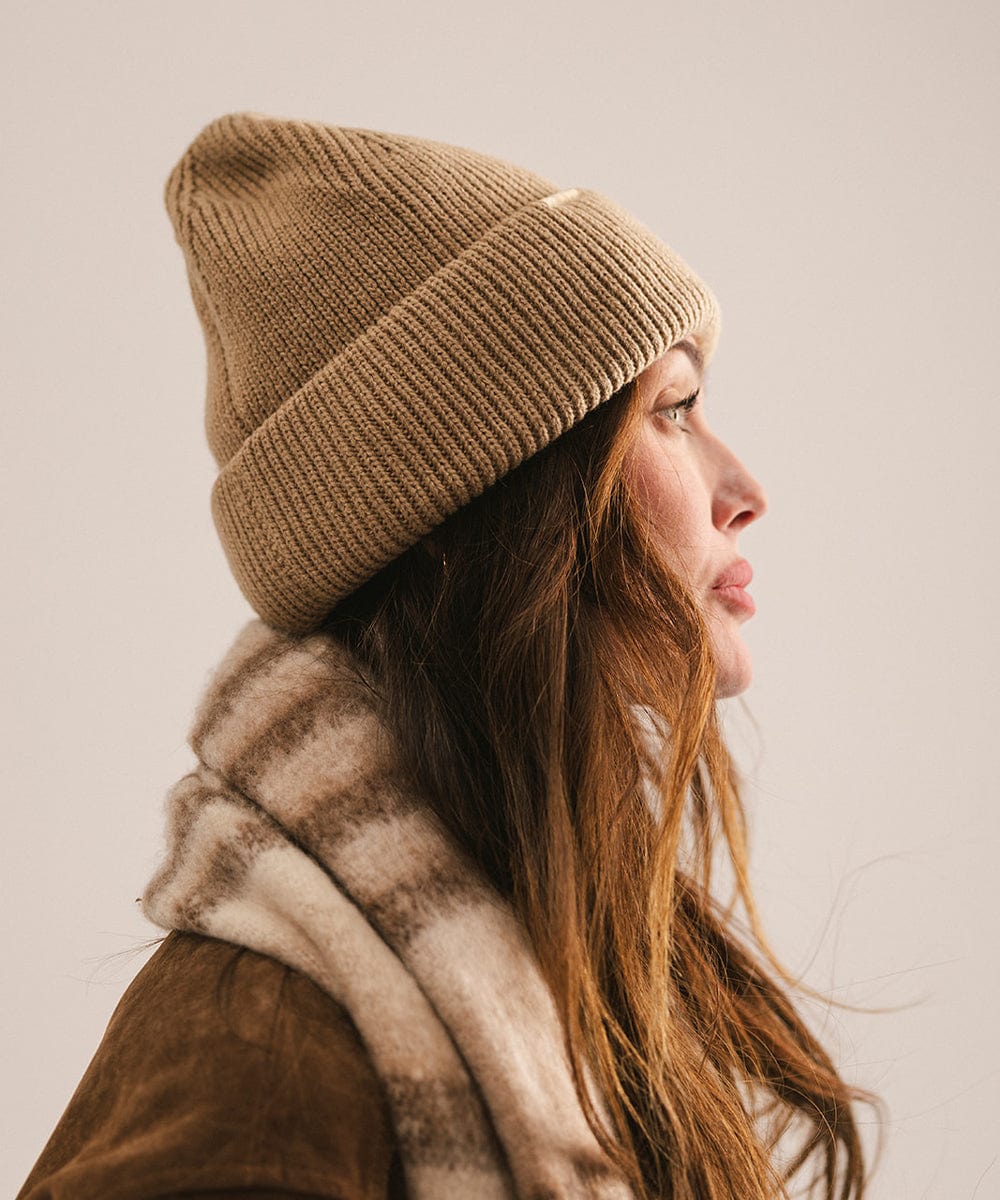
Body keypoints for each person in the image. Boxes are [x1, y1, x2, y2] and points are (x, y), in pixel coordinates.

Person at [18, 111, 875, 1200]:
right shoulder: (265, 1049)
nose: (744, 491)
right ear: (489, 499)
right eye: (675, 410)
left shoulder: (570, 960)